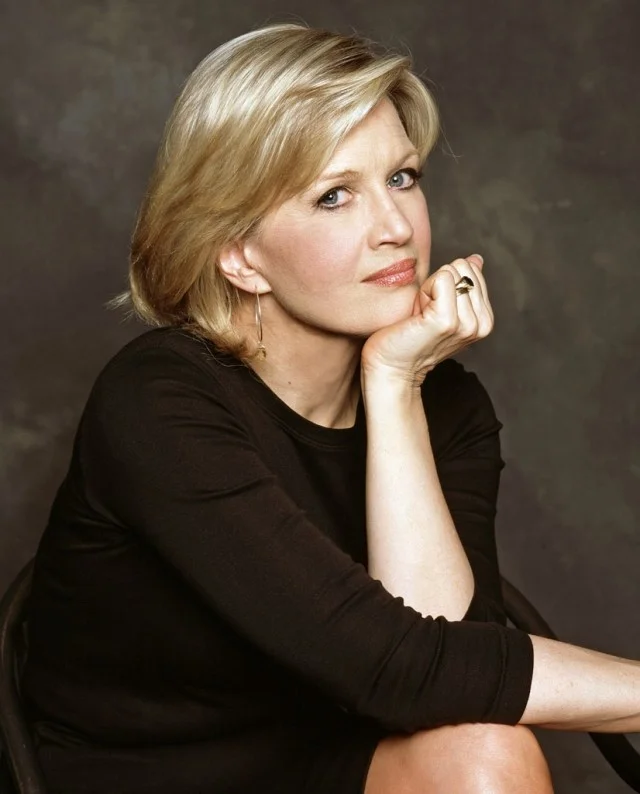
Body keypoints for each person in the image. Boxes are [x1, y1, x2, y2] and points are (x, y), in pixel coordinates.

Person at [22, 22, 639, 794]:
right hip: (151, 775)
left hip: (332, 755)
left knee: (485, 756)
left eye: (402, 177)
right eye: (334, 196)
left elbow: (442, 680)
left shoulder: (446, 404)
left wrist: (394, 384)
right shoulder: (158, 401)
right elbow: (409, 673)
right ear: (240, 256)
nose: (396, 228)